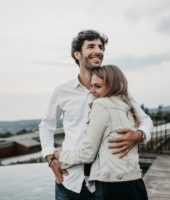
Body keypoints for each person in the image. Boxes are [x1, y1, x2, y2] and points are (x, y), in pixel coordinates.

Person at [39, 30, 153, 200]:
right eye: (91, 46)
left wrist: (140, 134)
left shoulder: (118, 91)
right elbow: (46, 126)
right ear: (77, 54)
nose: (98, 50)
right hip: (70, 180)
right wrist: (50, 158)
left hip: (105, 184)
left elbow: (145, 119)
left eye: (100, 47)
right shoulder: (62, 91)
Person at [56, 65, 149, 200]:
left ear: (112, 86)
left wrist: (60, 156)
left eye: (97, 87)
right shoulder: (127, 105)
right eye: (91, 86)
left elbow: (87, 154)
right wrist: (141, 134)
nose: (91, 91)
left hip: (111, 186)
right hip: (135, 182)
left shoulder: (100, 105)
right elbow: (146, 120)